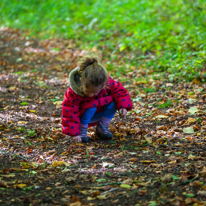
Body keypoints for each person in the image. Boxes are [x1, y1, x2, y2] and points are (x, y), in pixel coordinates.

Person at [62, 55, 133, 142]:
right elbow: (69, 112)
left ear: (103, 85)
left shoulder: (106, 83)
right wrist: (74, 133)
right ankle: (82, 131)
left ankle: (102, 127)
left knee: (113, 101)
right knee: (91, 106)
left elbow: (119, 92)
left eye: (95, 92)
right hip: (81, 116)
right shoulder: (73, 92)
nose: (91, 95)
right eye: (87, 91)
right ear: (81, 81)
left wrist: (123, 106)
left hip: (98, 113)